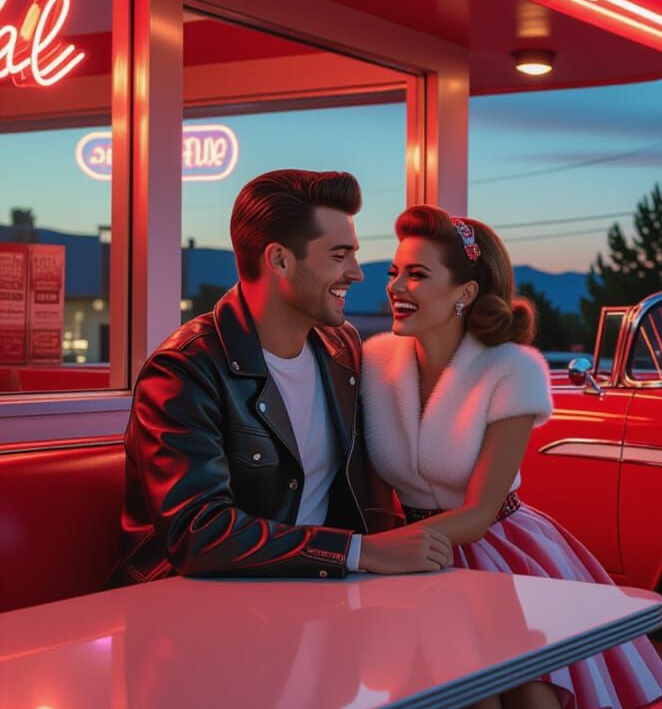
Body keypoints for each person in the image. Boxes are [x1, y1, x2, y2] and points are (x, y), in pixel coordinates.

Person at [361, 205, 662, 709]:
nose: (396, 286)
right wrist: (374, 548)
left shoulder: (511, 371)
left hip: (499, 550)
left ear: (465, 292)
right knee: (461, 700)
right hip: (406, 556)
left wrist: (374, 553)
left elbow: (480, 511)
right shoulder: (374, 362)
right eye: (394, 272)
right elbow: (373, 493)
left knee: (524, 688)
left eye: (417, 274)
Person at [109, 170, 452, 587]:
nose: (358, 273)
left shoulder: (341, 348)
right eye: (340, 255)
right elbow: (198, 535)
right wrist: (357, 551)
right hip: (193, 604)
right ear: (279, 260)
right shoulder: (184, 370)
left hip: (321, 591)